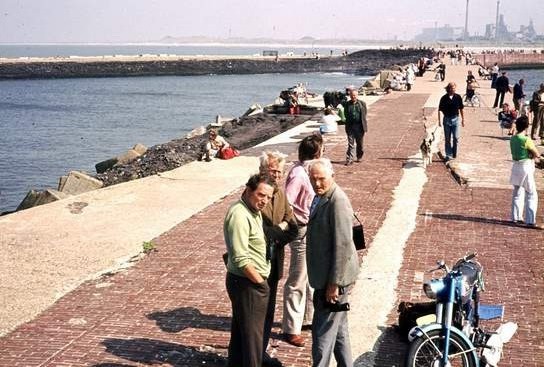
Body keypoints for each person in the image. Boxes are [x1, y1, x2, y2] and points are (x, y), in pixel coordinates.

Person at [306, 158, 360, 367]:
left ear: (332, 177)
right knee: (339, 332)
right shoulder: (320, 197)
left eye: (321, 179)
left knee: (322, 334)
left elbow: (343, 245)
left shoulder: (338, 201)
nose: (317, 184)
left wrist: (333, 284)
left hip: (333, 281)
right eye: (313, 179)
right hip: (325, 276)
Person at [224, 174, 275, 367]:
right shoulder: (239, 214)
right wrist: (261, 284)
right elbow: (240, 257)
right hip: (247, 283)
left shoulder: (252, 210)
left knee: (241, 336)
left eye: (268, 197)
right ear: (248, 190)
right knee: (253, 342)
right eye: (261, 195)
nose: (264, 201)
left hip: (247, 282)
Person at [282, 134, 324, 348]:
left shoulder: (310, 170)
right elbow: (286, 202)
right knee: (297, 279)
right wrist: (294, 222)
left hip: (312, 227)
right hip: (300, 229)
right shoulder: (299, 174)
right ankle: (291, 327)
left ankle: (306, 319)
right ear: (317, 152)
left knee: (309, 277)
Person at [259, 151, 299, 367]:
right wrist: (277, 230)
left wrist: (275, 235)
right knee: (255, 310)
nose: (276, 175)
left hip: (274, 261)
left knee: (269, 310)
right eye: (272, 170)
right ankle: (251, 353)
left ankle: (262, 351)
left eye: (279, 172)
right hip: (256, 263)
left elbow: (292, 228)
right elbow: (258, 230)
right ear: (262, 170)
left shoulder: (281, 195)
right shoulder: (255, 193)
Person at [509, 116, 541, 229]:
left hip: (516, 166)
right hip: (526, 166)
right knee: (531, 193)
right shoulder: (526, 139)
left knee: (517, 192)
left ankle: (515, 217)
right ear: (527, 126)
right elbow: (536, 154)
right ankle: (530, 220)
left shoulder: (513, 138)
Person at [438, 82, 465, 161]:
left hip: (456, 119)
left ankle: (454, 153)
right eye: (452, 88)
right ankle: (448, 154)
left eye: (454, 88)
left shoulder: (458, 97)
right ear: (448, 89)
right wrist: (439, 120)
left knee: (456, 137)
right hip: (446, 119)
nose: (453, 90)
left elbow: (461, 108)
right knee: (447, 138)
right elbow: (439, 110)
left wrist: (463, 119)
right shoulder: (444, 98)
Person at [341, 87, 368, 165]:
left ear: (357, 95)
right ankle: (349, 159)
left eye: (355, 95)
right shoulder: (347, 104)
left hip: (360, 126)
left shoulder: (362, 104)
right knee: (350, 144)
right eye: (352, 95)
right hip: (350, 126)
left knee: (360, 144)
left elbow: (364, 114)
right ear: (350, 96)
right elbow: (346, 114)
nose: (353, 97)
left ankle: (359, 156)